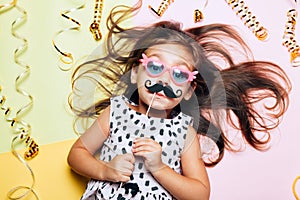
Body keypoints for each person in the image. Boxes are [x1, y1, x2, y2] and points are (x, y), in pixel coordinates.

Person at [67, 1, 291, 200]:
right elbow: (76, 155)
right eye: (155, 67)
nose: (164, 80)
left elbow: (200, 194)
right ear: (135, 74)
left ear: (187, 90)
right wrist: (105, 170)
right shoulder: (116, 112)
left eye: (179, 75)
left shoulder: (184, 133)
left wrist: (160, 168)